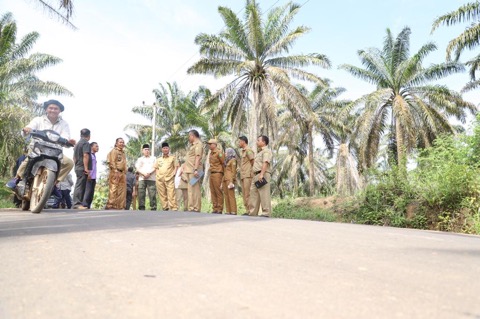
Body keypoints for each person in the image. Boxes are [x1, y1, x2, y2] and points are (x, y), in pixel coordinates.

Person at [6, 99, 75, 189]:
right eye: (51, 108)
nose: (53, 110)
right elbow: (29, 128)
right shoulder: (38, 120)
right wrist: (26, 129)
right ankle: (17, 178)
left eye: (56, 108)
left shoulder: (64, 124)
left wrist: (68, 142)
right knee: (30, 158)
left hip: (55, 151)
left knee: (69, 163)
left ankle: (54, 183)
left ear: (59, 111)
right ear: (46, 109)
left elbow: (66, 138)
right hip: (37, 147)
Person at [248, 135, 273, 217]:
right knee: (253, 194)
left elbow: (265, 162)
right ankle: (252, 213)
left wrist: (262, 174)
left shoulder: (266, 151)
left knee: (264, 194)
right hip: (256, 175)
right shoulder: (259, 152)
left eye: (258, 140)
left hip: (263, 174)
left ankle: (266, 213)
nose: (257, 142)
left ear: (264, 142)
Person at [154, 142, 179, 211]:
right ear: (162, 149)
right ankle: (165, 208)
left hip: (169, 178)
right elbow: (156, 168)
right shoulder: (158, 159)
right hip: (160, 179)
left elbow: (176, 167)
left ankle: (174, 208)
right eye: (164, 148)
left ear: (169, 149)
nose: (165, 149)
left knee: (171, 194)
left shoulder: (173, 158)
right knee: (162, 194)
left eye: (166, 148)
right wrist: (157, 175)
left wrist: (174, 174)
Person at [184, 130, 204, 212]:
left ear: (192, 136)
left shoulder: (198, 145)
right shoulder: (193, 145)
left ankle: (196, 208)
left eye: (189, 136)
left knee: (195, 190)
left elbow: (198, 157)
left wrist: (195, 169)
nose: (189, 138)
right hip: (190, 170)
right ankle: (191, 207)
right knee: (191, 189)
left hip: (195, 170)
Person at [72, 128, 91, 209]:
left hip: (77, 166)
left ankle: (79, 203)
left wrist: (76, 165)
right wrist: (86, 168)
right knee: (80, 185)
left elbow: (74, 157)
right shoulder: (85, 143)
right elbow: (85, 155)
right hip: (82, 167)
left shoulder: (77, 144)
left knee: (80, 184)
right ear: (89, 136)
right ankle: (77, 204)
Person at [106, 138, 127, 210]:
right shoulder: (114, 151)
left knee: (121, 190)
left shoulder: (123, 152)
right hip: (116, 172)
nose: (122, 143)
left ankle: (119, 206)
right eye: (120, 142)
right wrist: (115, 171)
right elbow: (111, 161)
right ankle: (110, 205)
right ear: (116, 143)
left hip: (122, 173)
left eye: (123, 142)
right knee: (114, 188)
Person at [135, 144, 157, 210]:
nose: (147, 151)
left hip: (151, 178)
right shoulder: (140, 159)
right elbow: (137, 168)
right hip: (142, 178)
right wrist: (144, 174)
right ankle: (141, 207)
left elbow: (155, 167)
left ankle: (153, 207)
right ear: (142, 151)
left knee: (152, 193)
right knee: (141, 193)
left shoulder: (154, 158)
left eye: (148, 149)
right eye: (145, 150)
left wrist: (149, 174)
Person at [238, 136, 255, 215]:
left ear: (243, 142)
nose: (238, 143)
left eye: (239, 141)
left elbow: (253, 162)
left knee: (248, 194)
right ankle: (247, 210)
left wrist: (252, 173)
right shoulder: (243, 151)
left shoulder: (248, 150)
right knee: (245, 194)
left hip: (248, 175)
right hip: (243, 175)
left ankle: (251, 211)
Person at [208, 139, 224, 214]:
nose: (209, 145)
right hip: (212, 173)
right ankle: (215, 208)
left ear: (215, 144)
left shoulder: (219, 152)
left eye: (210, 144)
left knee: (218, 191)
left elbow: (223, 163)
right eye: (209, 144)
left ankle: (220, 208)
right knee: (213, 191)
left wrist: (223, 175)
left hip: (218, 173)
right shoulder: (211, 153)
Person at [83, 141, 99, 209]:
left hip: (94, 177)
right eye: (96, 146)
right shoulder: (89, 155)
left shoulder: (94, 155)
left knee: (91, 193)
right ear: (91, 147)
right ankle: (84, 205)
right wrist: (88, 174)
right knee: (87, 192)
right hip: (89, 176)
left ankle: (88, 206)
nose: (98, 148)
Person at [223, 148, 238, 215]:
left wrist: (232, 181)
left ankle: (233, 211)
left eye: (226, 152)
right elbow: (225, 172)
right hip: (225, 179)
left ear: (230, 153)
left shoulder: (233, 160)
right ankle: (228, 210)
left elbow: (233, 171)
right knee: (226, 195)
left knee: (231, 195)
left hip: (230, 180)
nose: (225, 154)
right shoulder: (227, 161)